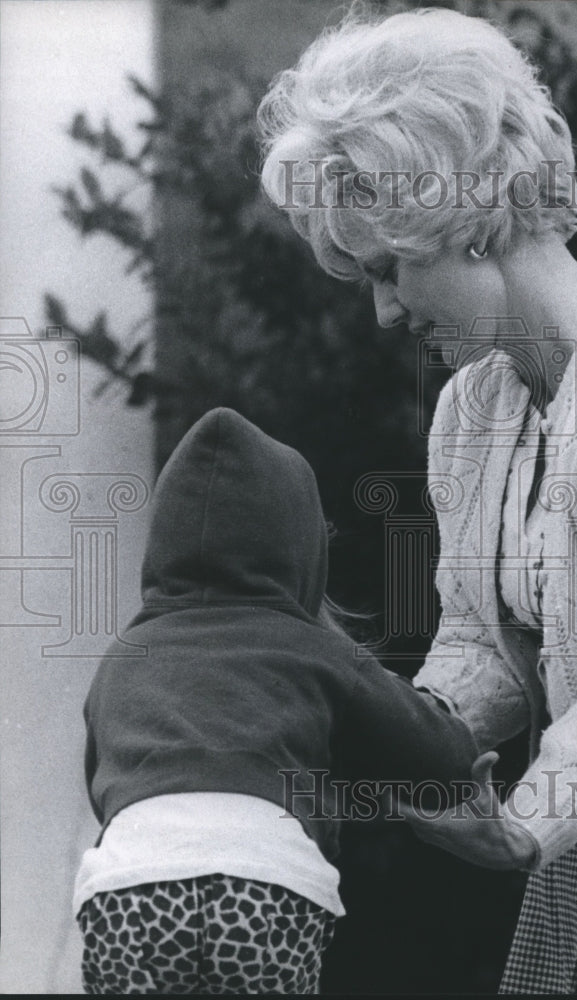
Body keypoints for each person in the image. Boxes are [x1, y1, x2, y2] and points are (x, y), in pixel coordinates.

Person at [257, 5, 577, 994]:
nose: (382, 310)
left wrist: (514, 826)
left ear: (463, 215)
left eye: (387, 269)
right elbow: (478, 648)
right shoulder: (473, 407)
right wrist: (372, 737)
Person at [74, 406, 479, 994]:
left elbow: (103, 786)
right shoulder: (312, 646)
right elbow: (438, 755)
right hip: (265, 893)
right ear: (301, 546)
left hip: (130, 892)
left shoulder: (126, 653)